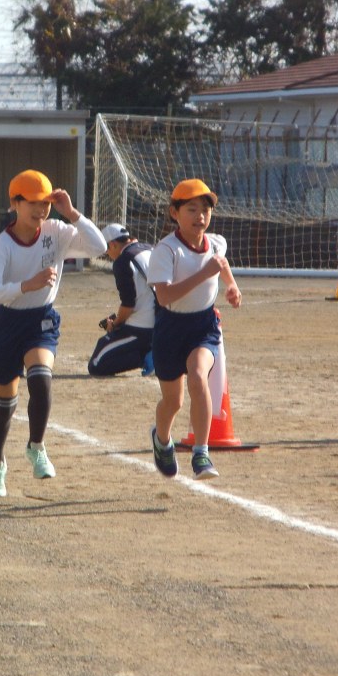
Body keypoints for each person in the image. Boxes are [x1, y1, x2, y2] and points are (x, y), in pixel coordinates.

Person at [0, 169, 107, 497]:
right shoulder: (2, 246)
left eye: (45, 203)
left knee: (40, 378)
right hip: (8, 324)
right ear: (14, 203)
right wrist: (27, 285)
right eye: (33, 203)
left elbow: (98, 247)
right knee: (3, 406)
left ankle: (36, 446)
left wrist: (72, 213)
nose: (40, 210)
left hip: (42, 320)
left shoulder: (57, 231)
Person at [146, 179, 241, 481]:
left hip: (204, 326)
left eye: (205, 210)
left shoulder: (216, 242)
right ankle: (162, 439)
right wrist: (205, 274)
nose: (200, 216)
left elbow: (221, 263)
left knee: (199, 377)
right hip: (170, 329)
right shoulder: (166, 250)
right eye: (192, 209)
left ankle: (201, 452)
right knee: (172, 401)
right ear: (174, 213)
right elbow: (164, 297)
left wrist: (231, 286)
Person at [87, 223, 156, 377]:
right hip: (162, 322)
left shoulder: (122, 261)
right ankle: (158, 349)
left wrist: (115, 324)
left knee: (96, 364)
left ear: (113, 244)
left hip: (143, 328)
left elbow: (128, 305)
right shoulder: (149, 248)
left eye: (107, 249)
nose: (107, 253)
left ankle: (151, 356)